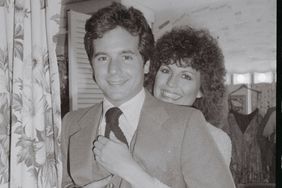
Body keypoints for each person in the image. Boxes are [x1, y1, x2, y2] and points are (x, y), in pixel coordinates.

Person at [61, 3, 235, 188]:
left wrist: (134, 174)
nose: (113, 70)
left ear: (145, 64)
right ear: (92, 66)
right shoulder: (71, 123)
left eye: (126, 57)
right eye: (103, 58)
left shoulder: (188, 124)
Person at [147, 26, 232, 165]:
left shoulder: (215, 140)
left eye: (186, 76)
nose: (171, 83)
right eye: (165, 70)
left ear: (201, 90)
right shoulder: (135, 124)